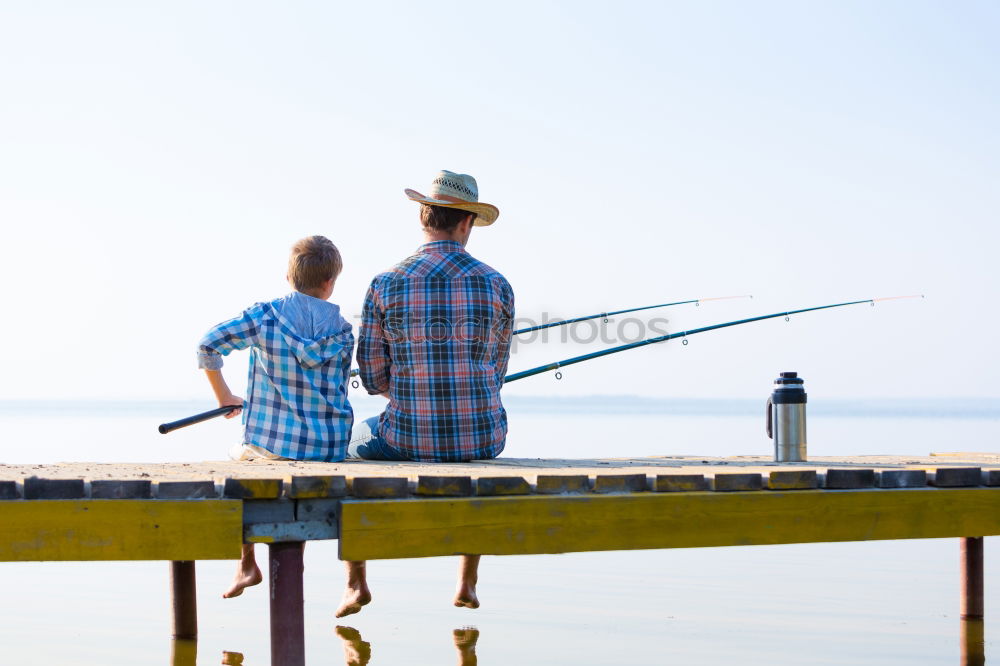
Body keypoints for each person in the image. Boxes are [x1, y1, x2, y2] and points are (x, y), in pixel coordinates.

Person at [337, 170, 514, 618]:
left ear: (423, 217)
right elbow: (495, 372)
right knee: (471, 461)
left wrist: (410, 383)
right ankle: (466, 583)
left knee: (349, 444)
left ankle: (356, 584)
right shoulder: (498, 284)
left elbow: (375, 380)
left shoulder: (385, 283)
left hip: (405, 437)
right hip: (484, 439)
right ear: (467, 223)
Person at [196, 235, 355, 598]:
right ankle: (353, 579)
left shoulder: (264, 317)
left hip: (273, 445)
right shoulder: (344, 332)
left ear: (288, 277)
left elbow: (208, 345)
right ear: (330, 283)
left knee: (240, 462)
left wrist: (224, 396)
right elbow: (339, 389)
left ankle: (246, 563)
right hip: (328, 448)